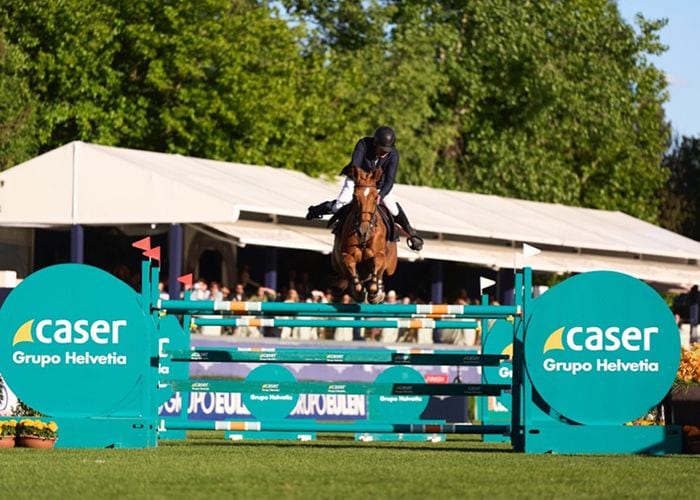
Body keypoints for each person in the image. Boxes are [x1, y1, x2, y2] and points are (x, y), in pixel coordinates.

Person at [305, 126, 424, 251]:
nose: (384, 153)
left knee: (393, 209)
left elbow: (389, 181)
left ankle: (412, 233)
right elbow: (355, 167)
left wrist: (381, 195)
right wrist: (363, 186)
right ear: (375, 143)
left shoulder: (393, 155)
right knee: (339, 206)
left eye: (387, 150)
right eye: (382, 149)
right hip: (357, 181)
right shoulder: (363, 144)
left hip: (378, 186)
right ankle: (318, 209)